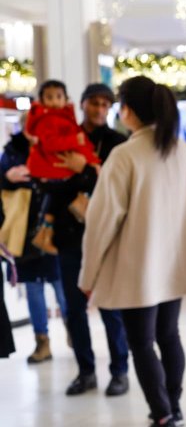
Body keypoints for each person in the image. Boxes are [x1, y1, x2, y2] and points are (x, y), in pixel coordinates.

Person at [79, 76, 186, 427]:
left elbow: (102, 220)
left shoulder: (124, 155)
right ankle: (174, 409)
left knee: (141, 341)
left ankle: (163, 416)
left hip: (138, 264)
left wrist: (88, 273)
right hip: (175, 261)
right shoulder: (181, 150)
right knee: (169, 335)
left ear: (130, 111)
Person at [42, 82, 131, 397]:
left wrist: (84, 171)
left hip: (107, 235)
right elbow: (52, 184)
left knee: (110, 305)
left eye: (105, 104)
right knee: (74, 308)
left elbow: (118, 187)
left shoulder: (118, 143)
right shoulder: (64, 138)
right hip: (70, 235)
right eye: (94, 103)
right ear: (82, 105)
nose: (99, 109)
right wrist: (86, 174)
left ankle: (120, 370)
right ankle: (86, 371)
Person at [0, 115, 69, 364]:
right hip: (23, 231)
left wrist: (38, 174)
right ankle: (42, 341)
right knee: (33, 289)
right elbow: (2, 180)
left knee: (62, 286)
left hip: (53, 227)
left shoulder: (57, 147)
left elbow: (67, 180)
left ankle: (74, 331)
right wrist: (8, 177)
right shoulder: (11, 150)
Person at [24, 80, 101, 255]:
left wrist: (90, 161)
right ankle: (46, 233)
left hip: (61, 169)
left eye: (58, 97)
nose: (54, 101)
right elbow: (52, 143)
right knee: (59, 195)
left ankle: (46, 233)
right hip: (54, 169)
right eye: (49, 97)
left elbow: (78, 143)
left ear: (66, 98)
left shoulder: (63, 117)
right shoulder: (47, 119)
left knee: (57, 198)